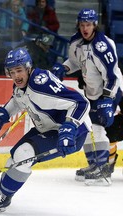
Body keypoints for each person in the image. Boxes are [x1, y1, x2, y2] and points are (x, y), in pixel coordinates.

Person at [0, 46, 92, 212]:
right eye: (12, 72)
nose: (16, 76)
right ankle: (2, 194)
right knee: (15, 158)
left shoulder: (41, 83)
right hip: (48, 128)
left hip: (71, 131)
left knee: (24, 154)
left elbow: (81, 103)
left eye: (19, 70)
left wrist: (69, 127)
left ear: (28, 68)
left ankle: (1, 197)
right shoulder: (20, 87)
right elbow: (17, 101)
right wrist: (2, 115)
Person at [51, 9, 123, 185]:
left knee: (100, 129)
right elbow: (75, 62)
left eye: (88, 25)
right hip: (91, 94)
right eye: (82, 25)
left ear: (94, 25)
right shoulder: (76, 41)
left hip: (110, 92)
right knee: (88, 128)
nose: (85, 28)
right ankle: (94, 165)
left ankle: (103, 167)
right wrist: (64, 68)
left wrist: (108, 99)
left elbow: (113, 77)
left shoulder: (103, 46)